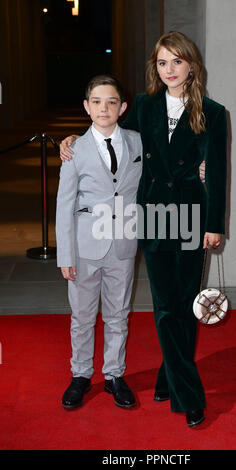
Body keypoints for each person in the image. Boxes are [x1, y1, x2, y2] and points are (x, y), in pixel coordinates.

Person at [60, 31, 227, 428]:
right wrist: (71, 140)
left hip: (189, 216)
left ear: (191, 65)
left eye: (177, 61)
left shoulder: (214, 112)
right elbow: (107, 130)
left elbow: (218, 172)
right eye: (162, 62)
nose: (169, 70)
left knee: (183, 303)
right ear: (156, 67)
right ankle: (177, 380)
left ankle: (178, 384)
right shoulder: (146, 107)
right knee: (166, 305)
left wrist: (214, 224)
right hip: (150, 217)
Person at [56, 75, 143, 410]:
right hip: (84, 246)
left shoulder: (137, 143)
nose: (103, 108)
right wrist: (65, 253)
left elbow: (164, 168)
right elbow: (64, 204)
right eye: (96, 101)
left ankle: (114, 375)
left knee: (119, 314)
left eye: (111, 102)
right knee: (82, 315)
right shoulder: (74, 149)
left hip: (123, 244)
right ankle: (80, 375)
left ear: (122, 107)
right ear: (86, 107)